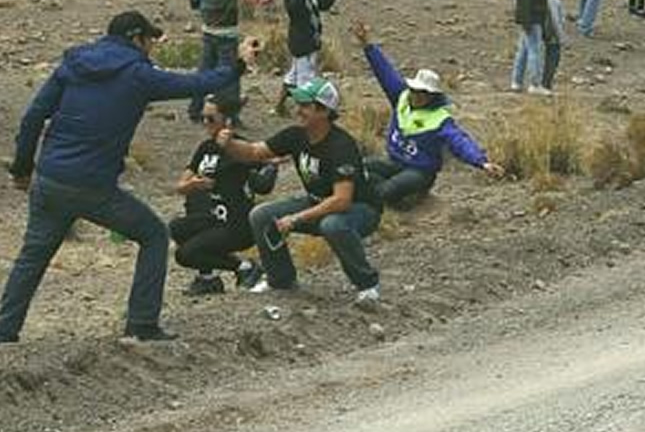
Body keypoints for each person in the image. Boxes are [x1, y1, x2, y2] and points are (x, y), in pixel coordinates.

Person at [1, 12, 255, 343]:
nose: (150, 47)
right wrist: (237, 66)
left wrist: (22, 169)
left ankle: (5, 329)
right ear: (136, 38)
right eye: (149, 40)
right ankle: (142, 323)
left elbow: (34, 116)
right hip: (94, 186)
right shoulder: (139, 74)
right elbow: (194, 84)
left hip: (50, 178)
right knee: (153, 235)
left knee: (32, 255)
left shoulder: (73, 64)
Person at [216, 79, 383, 305]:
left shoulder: (341, 146)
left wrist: (295, 219)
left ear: (323, 111)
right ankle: (280, 280)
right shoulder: (296, 135)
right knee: (262, 216)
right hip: (318, 203)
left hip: (360, 209)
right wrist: (229, 144)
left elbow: (342, 200)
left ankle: (367, 285)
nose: (299, 109)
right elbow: (255, 152)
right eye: (299, 103)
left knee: (332, 225)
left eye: (305, 105)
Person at [350, 22, 501, 210]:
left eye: (422, 92)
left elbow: (460, 142)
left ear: (432, 96)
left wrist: (482, 162)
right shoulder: (401, 97)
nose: (416, 95)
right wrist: (368, 45)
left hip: (419, 172)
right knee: (355, 168)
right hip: (393, 162)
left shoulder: (440, 120)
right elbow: (384, 71)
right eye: (414, 90)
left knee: (387, 191)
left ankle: (368, 208)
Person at [170, 95, 275, 296]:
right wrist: (191, 185)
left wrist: (269, 169)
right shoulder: (205, 148)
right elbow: (180, 186)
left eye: (211, 118)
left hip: (236, 223)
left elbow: (266, 175)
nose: (205, 123)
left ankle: (243, 267)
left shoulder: (241, 149)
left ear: (226, 120)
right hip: (212, 217)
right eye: (203, 118)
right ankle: (208, 279)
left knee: (185, 255)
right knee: (177, 228)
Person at [190, 0, 259, 123]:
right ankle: (230, 115)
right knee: (230, 76)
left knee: (205, 72)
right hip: (224, 34)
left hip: (210, 31)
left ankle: (196, 108)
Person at [276, 0, 335, 116]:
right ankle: (304, 113)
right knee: (305, 81)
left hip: (310, 40)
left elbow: (325, 3)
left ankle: (279, 106)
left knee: (293, 76)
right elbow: (294, 8)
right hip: (302, 43)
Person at [511, 0, 550, 94]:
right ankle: (535, 83)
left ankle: (516, 82)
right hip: (532, 20)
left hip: (534, 19)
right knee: (535, 52)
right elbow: (524, 2)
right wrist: (526, 22)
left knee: (523, 52)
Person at [543, 0, 568, 91]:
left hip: (554, 35)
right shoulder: (552, 1)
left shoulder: (557, 0)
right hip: (552, 35)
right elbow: (555, 20)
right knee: (552, 60)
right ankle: (546, 83)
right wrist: (561, 37)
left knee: (553, 60)